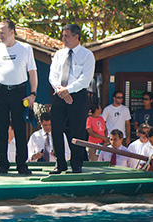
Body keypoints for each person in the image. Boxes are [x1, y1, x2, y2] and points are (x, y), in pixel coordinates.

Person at [0, 20, 38, 175]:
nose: (0, 36)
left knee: (20, 128)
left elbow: (32, 72)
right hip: (0, 92)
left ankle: (22, 165)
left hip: (19, 92)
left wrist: (33, 93)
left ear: (12, 32)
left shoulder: (25, 48)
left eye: (2, 32)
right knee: (0, 128)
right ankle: (2, 164)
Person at [49, 24, 95, 174]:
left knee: (77, 130)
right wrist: (61, 90)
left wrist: (68, 90)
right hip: (59, 93)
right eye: (63, 36)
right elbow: (52, 75)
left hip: (78, 95)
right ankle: (60, 163)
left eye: (67, 36)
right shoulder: (59, 54)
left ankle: (76, 164)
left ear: (76, 37)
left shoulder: (87, 55)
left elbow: (85, 79)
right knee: (55, 129)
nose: (64, 39)